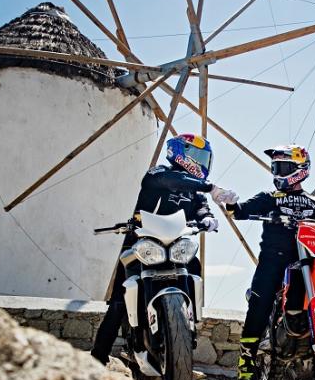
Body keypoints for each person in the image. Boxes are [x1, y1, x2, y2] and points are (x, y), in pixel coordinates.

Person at [217, 145, 315, 380]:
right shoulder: (269, 197)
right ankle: (245, 374)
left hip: (309, 260)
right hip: (274, 261)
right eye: (276, 167)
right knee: (259, 305)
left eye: (283, 167)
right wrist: (231, 203)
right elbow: (240, 212)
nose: (278, 172)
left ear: (300, 169)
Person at [90, 133, 238, 365]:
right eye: (196, 155)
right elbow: (171, 181)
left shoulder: (195, 190)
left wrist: (208, 219)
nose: (201, 161)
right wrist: (211, 187)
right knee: (119, 300)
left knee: (194, 267)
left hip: (176, 246)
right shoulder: (157, 174)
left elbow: (201, 208)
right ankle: (97, 359)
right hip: (142, 242)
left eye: (203, 157)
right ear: (179, 153)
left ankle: (189, 323)